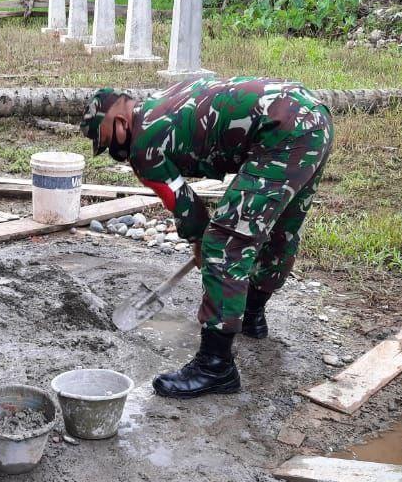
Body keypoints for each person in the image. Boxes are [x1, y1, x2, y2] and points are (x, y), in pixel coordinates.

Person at [81, 77, 333, 399]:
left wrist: (201, 242)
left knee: (224, 244)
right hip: (313, 118)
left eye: (104, 142)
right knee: (281, 229)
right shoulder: (159, 101)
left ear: (117, 121)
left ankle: (215, 367)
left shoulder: (142, 145)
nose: (109, 151)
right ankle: (252, 316)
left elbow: (182, 202)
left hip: (281, 133)